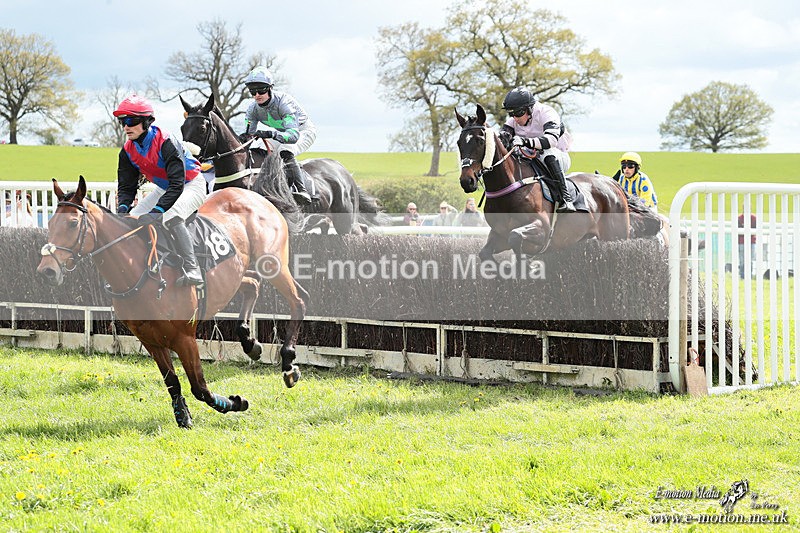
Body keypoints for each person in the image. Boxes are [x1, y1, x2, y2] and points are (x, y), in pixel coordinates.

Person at [114, 94, 206, 286]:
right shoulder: (127, 150)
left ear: (147, 122)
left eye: (131, 120)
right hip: (165, 188)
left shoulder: (165, 142)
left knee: (169, 216)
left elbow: (177, 184)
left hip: (190, 184)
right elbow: (126, 185)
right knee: (131, 221)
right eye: (123, 121)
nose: (126, 126)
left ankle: (192, 268)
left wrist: (158, 211)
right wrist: (123, 207)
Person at [239, 66, 314, 205]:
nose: (257, 95)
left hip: (302, 131)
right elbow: (249, 135)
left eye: (261, 90)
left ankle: (302, 189)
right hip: (281, 133)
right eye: (253, 91)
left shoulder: (284, 102)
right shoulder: (252, 109)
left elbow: (293, 136)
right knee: (259, 150)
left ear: (270, 88)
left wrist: (270, 133)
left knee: (285, 150)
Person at [500, 87, 575, 212]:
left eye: (518, 113)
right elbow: (502, 140)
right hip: (532, 158)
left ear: (529, 109)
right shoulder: (513, 121)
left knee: (547, 154)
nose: (515, 118)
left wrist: (525, 142)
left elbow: (551, 140)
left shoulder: (546, 113)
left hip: (557, 155)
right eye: (511, 114)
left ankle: (566, 198)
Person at [738, 213, 757, 279]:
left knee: (750, 260)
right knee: (742, 260)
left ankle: (749, 276)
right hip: (742, 242)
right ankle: (743, 276)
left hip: (750, 242)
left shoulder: (753, 218)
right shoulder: (740, 218)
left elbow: (755, 228)